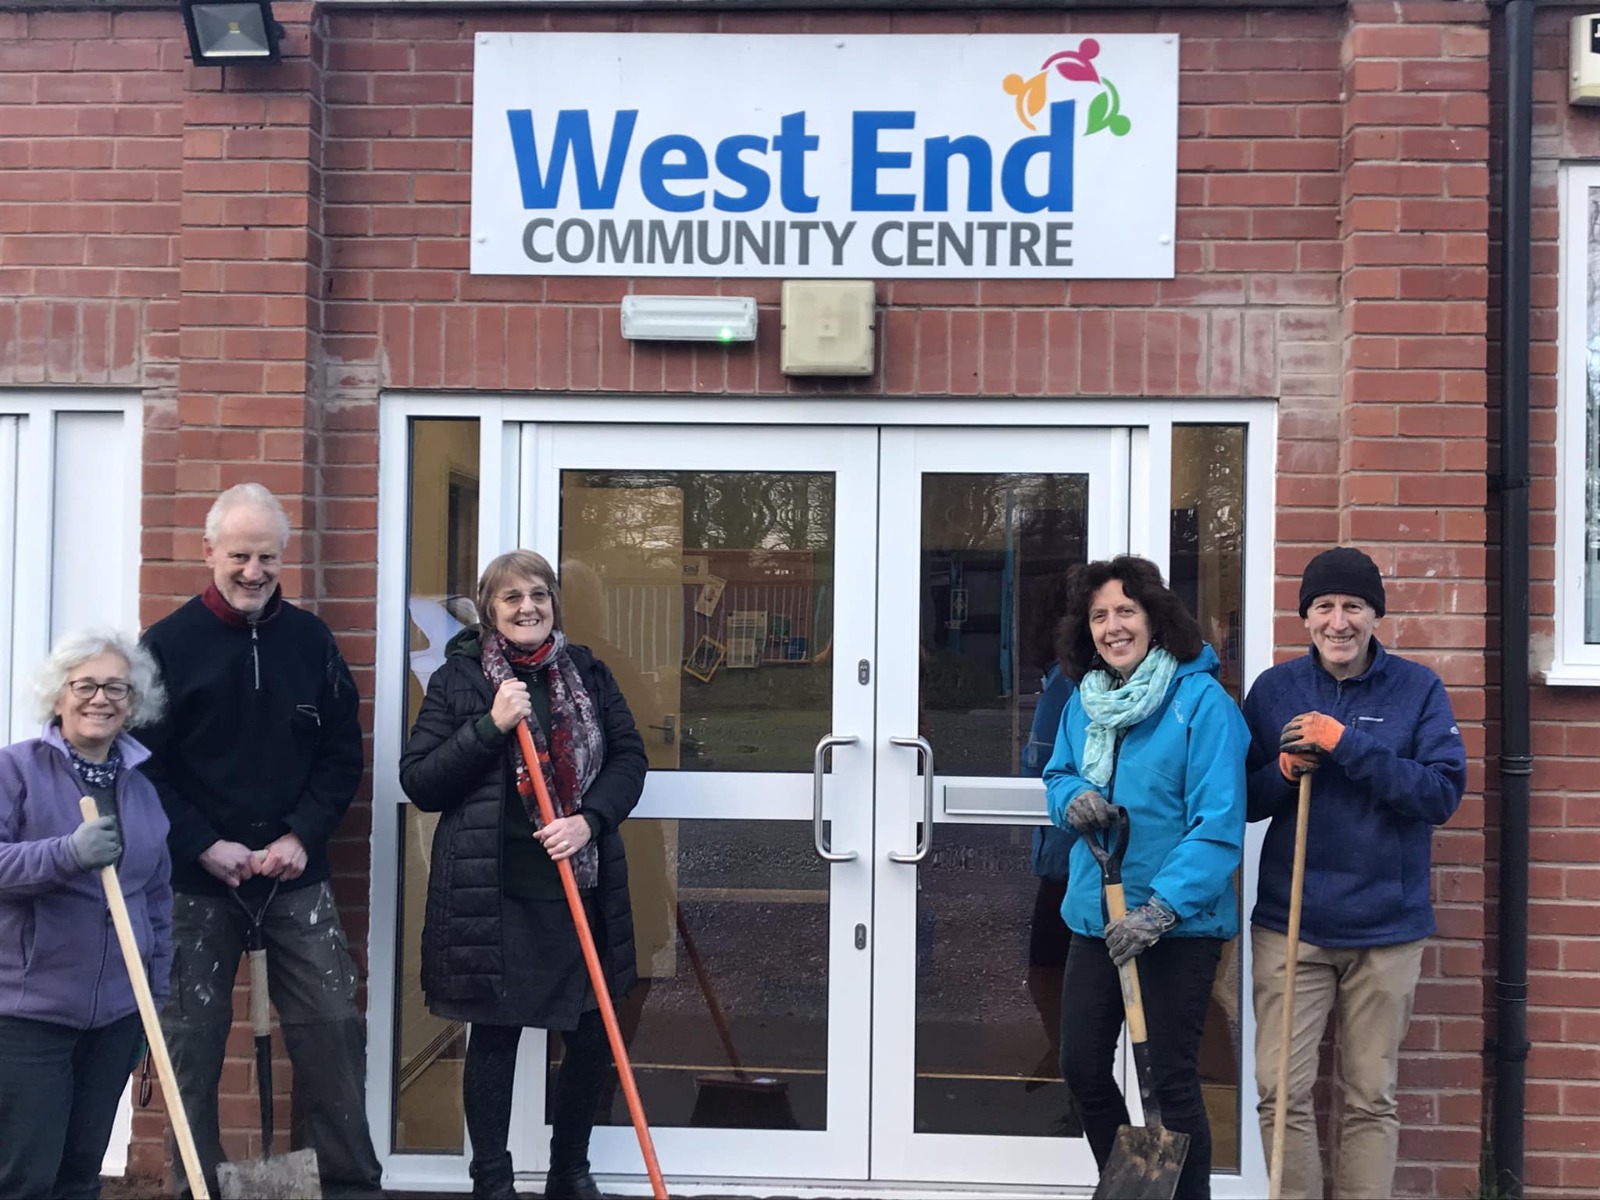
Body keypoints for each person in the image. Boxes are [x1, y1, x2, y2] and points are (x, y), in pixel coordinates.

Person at [139, 483, 382, 1198]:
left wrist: (303, 834)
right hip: (198, 881)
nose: (253, 571)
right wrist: (202, 844)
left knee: (332, 1027)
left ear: (285, 557)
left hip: (292, 874)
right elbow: (144, 766)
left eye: (268, 556)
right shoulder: (167, 646)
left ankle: (343, 1184)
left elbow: (342, 753)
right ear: (208, 551)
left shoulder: (310, 642)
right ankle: (197, 1186)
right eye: (240, 555)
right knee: (192, 1040)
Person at [400, 550, 647, 1200]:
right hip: (497, 891)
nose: (527, 607)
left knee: (591, 1032)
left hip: (579, 887)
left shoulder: (588, 672)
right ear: (490, 610)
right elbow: (421, 780)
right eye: (511, 598)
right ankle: (492, 1181)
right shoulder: (461, 680)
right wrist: (490, 724)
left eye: (538, 594)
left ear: (553, 603)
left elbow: (629, 758)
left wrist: (588, 821)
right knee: (497, 1036)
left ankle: (570, 1172)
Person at [1242, 547, 1465, 1200]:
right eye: (1324, 607)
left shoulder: (1417, 689)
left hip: (1386, 930)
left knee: (1370, 1096)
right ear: (1306, 617)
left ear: (1375, 616)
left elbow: (1440, 795)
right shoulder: (1275, 690)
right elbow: (1243, 799)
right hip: (1292, 927)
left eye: (1353, 607)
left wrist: (1347, 744)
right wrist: (1283, 773)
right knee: (1280, 1093)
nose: (1338, 621)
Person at [1043, 555, 1247, 1200]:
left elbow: (1218, 824)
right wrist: (1071, 795)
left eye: (1125, 611)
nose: (1112, 626)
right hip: (1095, 914)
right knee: (1080, 1065)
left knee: (1168, 1080)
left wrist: (1159, 912)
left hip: (1177, 926)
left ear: (1156, 620)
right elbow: (1056, 772)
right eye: (1100, 615)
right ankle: (1136, 1189)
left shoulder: (1202, 703)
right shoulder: (1086, 700)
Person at [0, 629, 171, 1199]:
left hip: (117, 1015)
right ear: (58, 695)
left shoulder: (141, 788)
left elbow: (157, 898)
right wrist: (67, 853)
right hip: (31, 1014)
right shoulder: (14, 772)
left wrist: (154, 994)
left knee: (80, 1175)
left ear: (133, 702)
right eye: (86, 685)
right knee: (27, 1177)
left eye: (116, 688)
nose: (101, 698)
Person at [1018, 573, 1076, 1102]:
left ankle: (1074, 1065)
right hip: (1055, 858)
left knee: (1059, 973)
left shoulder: (1078, 686)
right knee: (1045, 970)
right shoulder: (1058, 681)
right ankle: (1065, 1055)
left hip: (1081, 859)